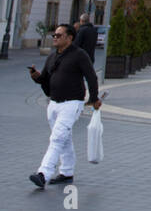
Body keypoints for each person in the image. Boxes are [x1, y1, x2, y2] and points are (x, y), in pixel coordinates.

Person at [27, 23, 101, 188]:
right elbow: (45, 79)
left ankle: (43, 174)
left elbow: (91, 77)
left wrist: (94, 98)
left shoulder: (79, 55)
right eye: (54, 35)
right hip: (53, 104)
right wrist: (35, 76)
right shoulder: (52, 57)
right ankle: (67, 172)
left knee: (57, 138)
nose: (55, 37)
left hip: (71, 103)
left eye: (59, 35)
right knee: (64, 140)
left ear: (69, 38)